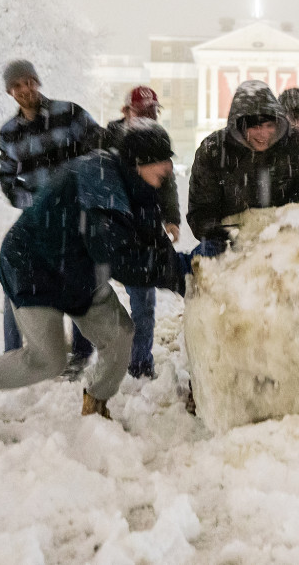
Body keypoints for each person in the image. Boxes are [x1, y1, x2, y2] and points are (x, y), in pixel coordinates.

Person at [0, 122, 187, 422]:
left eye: (169, 158)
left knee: (120, 335)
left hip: (80, 272)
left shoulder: (141, 186)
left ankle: (95, 404)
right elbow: (122, 261)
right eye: (162, 159)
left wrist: (188, 273)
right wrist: (180, 276)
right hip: (35, 268)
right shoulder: (100, 180)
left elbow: (150, 239)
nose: (169, 167)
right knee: (47, 360)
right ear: (138, 162)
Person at [0, 60, 104, 376]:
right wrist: (33, 203)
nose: (24, 90)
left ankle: (81, 354)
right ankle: (14, 353)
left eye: (29, 82)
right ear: (10, 91)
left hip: (76, 215)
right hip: (38, 222)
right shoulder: (10, 132)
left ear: (37, 82)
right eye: (17, 86)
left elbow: (99, 146)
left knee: (77, 280)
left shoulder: (68, 113)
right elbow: (6, 179)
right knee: (15, 281)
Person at [187, 80, 299, 253]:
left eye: (269, 126)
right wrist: (224, 233)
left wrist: (290, 218)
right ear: (240, 125)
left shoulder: (295, 144)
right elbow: (202, 209)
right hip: (231, 239)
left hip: (286, 236)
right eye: (256, 127)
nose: (264, 134)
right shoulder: (214, 150)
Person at [105, 86, 180, 379]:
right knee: (89, 296)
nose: (148, 117)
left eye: (152, 112)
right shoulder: (107, 138)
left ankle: (140, 362)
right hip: (106, 230)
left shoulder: (158, 139)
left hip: (142, 232)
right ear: (126, 111)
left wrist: (171, 218)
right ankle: (91, 354)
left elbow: (168, 182)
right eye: (141, 111)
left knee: (144, 302)